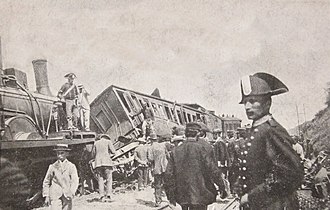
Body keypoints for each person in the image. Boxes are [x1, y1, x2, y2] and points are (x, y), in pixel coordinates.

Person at [235, 72, 304, 209]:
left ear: (267, 103)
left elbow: (291, 174)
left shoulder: (271, 130)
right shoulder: (260, 128)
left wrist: (251, 196)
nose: (247, 107)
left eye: (253, 101)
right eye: (245, 102)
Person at [164, 122, 225, 210]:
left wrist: (170, 196)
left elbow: (168, 175)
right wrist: (221, 186)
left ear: (185, 134)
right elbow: (213, 170)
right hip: (200, 194)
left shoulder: (176, 151)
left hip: (182, 194)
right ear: (198, 134)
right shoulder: (202, 150)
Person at [42, 144, 79, 210]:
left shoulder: (71, 166)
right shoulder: (52, 166)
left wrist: (72, 192)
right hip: (55, 195)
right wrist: (46, 195)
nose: (60, 155)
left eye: (62, 153)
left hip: (67, 194)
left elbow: (75, 181)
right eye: (58, 153)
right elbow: (46, 181)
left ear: (67, 153)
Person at [92, 134, 117, 202]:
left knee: (100, 179)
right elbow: (114, 152)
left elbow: (93, 154)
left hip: (98, 164)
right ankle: (108, 195)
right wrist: (109, 155)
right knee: (109, 179)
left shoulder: (96, 143)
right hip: (107, 163)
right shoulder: (108, 142)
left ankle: (101, 196)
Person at [147, 133, 169, 207]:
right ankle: (170, 199)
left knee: (157, 185)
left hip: (157, 168)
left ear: (151, 140)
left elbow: (150, 159)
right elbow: (168, 155)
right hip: (165, 167)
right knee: (167, 183)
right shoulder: (163, 145)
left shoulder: (151, 148)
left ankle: (158, 201)